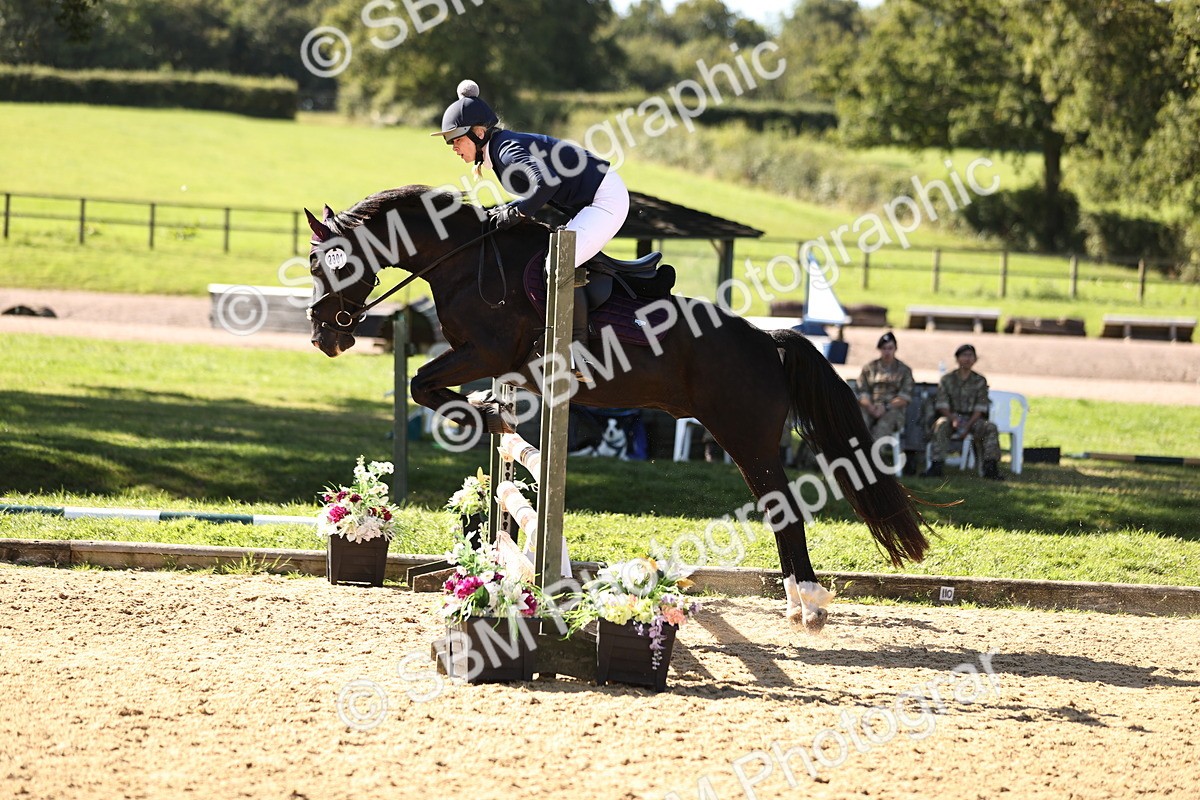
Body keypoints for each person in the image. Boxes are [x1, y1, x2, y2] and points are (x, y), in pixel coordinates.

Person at [432, 80, 629, 381]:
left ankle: (577, 354)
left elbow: (546, 184)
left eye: (456, 140)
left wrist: (517, 211)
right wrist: (502, 211)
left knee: (557, 263)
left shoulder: (506, 150)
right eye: (450, 143)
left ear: (478, 132)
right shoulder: (498, 149)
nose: (453, 147)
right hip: (592, 198)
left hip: (605, 200)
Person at [923, 344, 1003, 480]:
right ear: (957, 359)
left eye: (970, 355)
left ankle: (990, 467)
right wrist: (953, 418)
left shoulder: (980, 381)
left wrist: (968, 425)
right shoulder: (947, 380)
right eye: (964, 355)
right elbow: (942, 404)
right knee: (941, 424)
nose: (967, 359)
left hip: (973, 419)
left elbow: (980, 407)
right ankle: (936, 466)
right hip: (951, 417)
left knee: (990, 427)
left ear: (975, 359)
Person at [856, 331, 914, 441]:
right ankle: (856, 455)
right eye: (884, 348)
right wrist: (871, 407)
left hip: (893, 410)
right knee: (858, 427)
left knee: (881, 431)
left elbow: (904, 397)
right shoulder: (869, 368)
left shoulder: (904, 370)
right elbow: (862, 392)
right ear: (879, 349)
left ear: (895, 349)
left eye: (890, 348)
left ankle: (873, 455)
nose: (887, 352)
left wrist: (885, 407)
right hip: (871, 407)